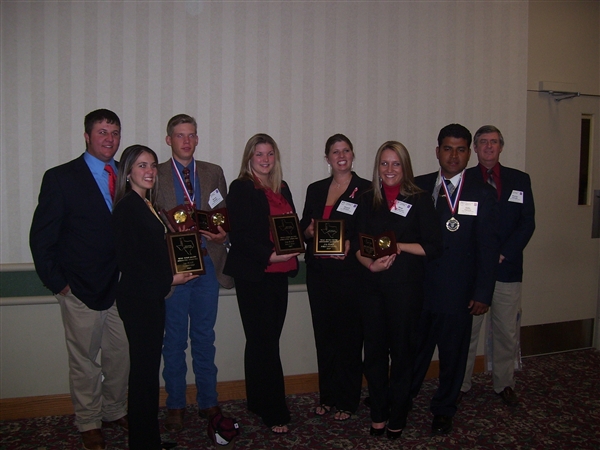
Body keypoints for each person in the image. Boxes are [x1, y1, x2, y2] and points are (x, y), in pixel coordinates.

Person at [29, 109, 129, 450]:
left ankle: (115, 410)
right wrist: (59, 283)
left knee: (120, 354)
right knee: (85, 360)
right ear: (87, 136)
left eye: (114, 133)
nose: (109, 139)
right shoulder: (61, 178)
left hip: (121, 285)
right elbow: (41, 238)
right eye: (102, 132)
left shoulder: (127, 176)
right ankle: (88, 420)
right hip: (80, 287)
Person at [411, 123, 498, 435]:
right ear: (438, 151)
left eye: (461, 149)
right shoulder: (417, 186)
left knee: (453, 356)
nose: (454, 155)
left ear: (468, 153)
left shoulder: (482, 193)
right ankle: (403, 397)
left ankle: (444, 408)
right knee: (414, 351)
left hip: (458, 293)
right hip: (420, 290)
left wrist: (483, 292)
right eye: (447, 148)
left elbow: (488, 248)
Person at [353, 141, 443, 440]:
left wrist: (398, 246)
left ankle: (398, 414)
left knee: (402, 355)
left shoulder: (419, 200)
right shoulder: (367, 199)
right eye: (384, 163)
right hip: (372, 289)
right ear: (377, 167)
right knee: (374, 355)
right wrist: (371, 265)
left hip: (405, 290)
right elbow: (358, 247)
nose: (389, 169)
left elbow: (433, 247)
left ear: (405, 168)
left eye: (396, 164)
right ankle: (378, 413)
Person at [112, 145, 197, 449]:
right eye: (141, 166)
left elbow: (151, 254)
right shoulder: (127, 208)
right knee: (143, 375)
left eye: (151, 166)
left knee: (147, 375)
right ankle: (143, 443)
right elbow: (131, 264)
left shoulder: (146, 204)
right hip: (139, 299)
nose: (149, 171)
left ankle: (147, 440)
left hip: (149, 297)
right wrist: (170, 278)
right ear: (128, 173)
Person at [156, 114, 234, 433]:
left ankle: (208, 400)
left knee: (204, 337)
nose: (186, 141)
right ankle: (175, 403)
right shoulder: (155, 174)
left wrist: (222, 235)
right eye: (179, 135)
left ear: (197, 139)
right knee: (173, 340)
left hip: (208, 269)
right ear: (169, 140)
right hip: (176, 272)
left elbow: (223, 215)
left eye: (191, 135)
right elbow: (149, 224)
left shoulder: (213, 172)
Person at [223, 133, 300, 434]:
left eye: (270, 154)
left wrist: (306, 232)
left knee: (263, 341)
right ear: (249, 159)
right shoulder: (241, 187)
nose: (265, 160)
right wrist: (271, 256)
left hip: (280, 274)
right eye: (259, 155)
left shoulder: (283, 188)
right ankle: (274, 409)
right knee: (264, 342)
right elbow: (239, 236)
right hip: (255, 275)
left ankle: (257, 399)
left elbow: (289, 227)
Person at [458, 125, 536, 406]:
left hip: (507, 268)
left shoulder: (520, 180)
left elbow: (527, 223)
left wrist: (502, 254)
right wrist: (482, 258)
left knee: (506, 331)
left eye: (494, 142)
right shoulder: (463, 179)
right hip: (474, 272)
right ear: (475, 149)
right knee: (467, 332)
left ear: (501, 147)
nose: (489, 147)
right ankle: (460, 383)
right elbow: (460, 227)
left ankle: (504, 383)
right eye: (483, 142)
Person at [300, 134, 371, 421]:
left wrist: (351, 244)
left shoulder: (366, 190)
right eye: (334, 151)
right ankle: (327, 396)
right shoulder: (315, 189)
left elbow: (368, 232)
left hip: (350, 276)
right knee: (324, 337)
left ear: (352, 155)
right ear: (326, 158)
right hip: (319, 275)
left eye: (345, 150)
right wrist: (308, 232)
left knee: (349, 339)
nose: (340, 155)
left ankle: (347, 400)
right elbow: (305, 225)